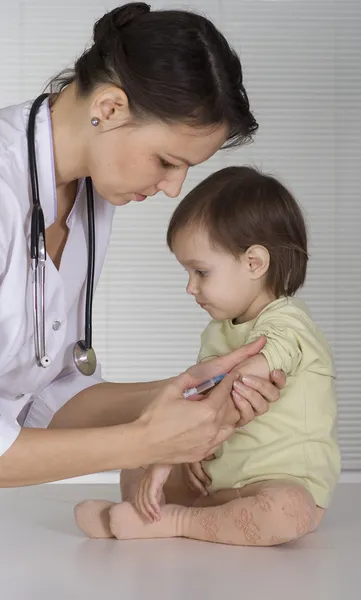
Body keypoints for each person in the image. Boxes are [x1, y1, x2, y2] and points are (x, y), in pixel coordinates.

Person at [0, 4, 286, 488]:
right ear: (109, 108)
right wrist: (145, 442)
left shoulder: (90, 190)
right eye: (166, 161)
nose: (173, 189)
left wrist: (195, 390)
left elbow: (45, 400)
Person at [74, 166, 341, 546]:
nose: (190, 287)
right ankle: (162, 515)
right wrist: (187, 454)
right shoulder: (218, 332)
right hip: (219, 479)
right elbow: (197, 403)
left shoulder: (288, 324)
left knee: (289, 509)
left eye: (200, 272)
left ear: (254, 263)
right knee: (134, 464)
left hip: (279, 483)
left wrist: (170, 456)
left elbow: (235, 391)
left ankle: (175, 521)